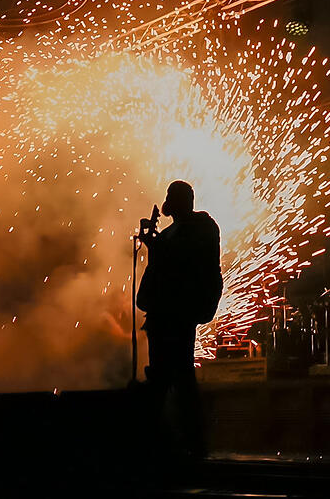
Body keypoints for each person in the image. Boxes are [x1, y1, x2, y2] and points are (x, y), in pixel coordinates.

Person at [136, 180, 223, 458]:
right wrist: (153, 244)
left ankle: (181, 443)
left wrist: (156, 245)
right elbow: (163, 266)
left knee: (174, 378)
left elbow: (185, 263)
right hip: (163, 315)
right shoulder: (173, 233)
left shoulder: (201, 229)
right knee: (167, 377)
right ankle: (171, 442)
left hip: (178, 314)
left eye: (175, 197)